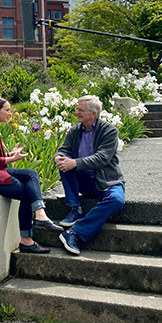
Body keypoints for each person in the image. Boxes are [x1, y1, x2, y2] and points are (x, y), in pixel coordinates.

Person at [0, 96, 63, 254]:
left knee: (31, 174)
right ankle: (27, 240)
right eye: (7, 110)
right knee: (28, 193)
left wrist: (10, 153)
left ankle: (40, 216)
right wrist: (11, 158)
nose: (10, 113)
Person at [54, 95, 125, 256]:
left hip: (107, 181)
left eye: (81, 110)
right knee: (65, 161)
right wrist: (58, 157)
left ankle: (74, 232)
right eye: (77, 109)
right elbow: (63, 150)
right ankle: (75, 208)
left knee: (117, 199)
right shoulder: (74, 131)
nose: (77, 112)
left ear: (93, 114)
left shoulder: (109, 131)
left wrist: (76, 163)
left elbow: (103, 158)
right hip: (84, 182)